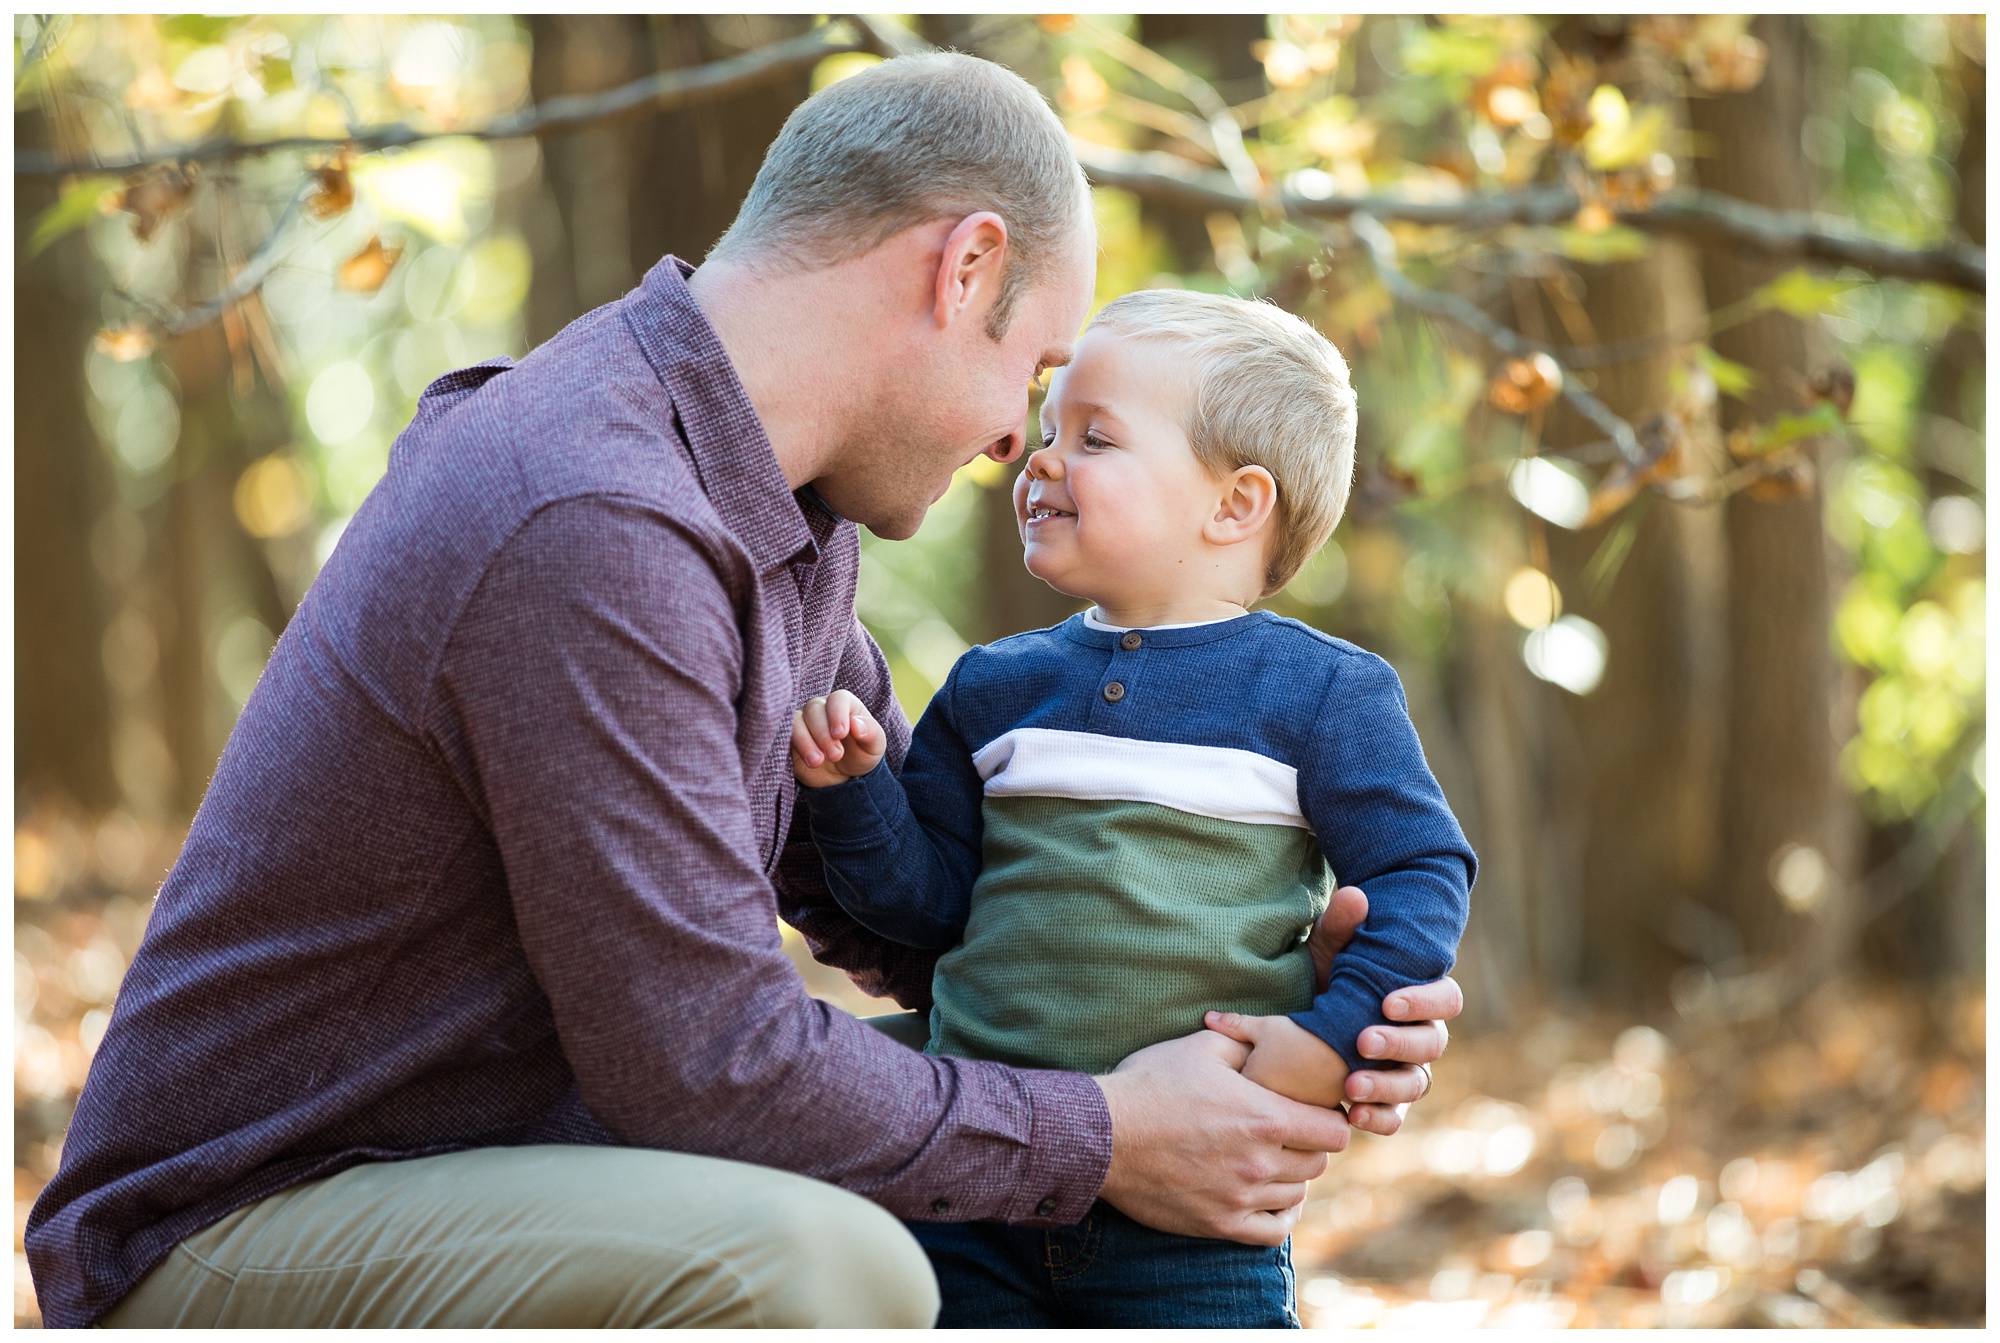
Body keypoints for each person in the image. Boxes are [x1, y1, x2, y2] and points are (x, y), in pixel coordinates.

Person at [27, 54, 1460, 1329]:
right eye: (1029, 375)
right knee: (829, 1263)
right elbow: (707, 1063)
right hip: (250, 1217)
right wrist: (1103, 1129)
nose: (1005, 443)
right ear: (962, 270)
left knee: (915, 1171)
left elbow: (925, 902)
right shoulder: (592, 516)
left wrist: (1239, 997)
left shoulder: (775, 513)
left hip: (512, 1153)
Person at [787, 289, 1476, 1326]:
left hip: (1193, 1206)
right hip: (975, 1172)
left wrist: (1333, 1034)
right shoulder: (994, 686)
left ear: (1235, 504)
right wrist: (852, 797)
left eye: (1095, 437)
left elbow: (1419, 871)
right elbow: (927, 905)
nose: (1042, 458)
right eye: (1050, 426)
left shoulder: (1319, 695)